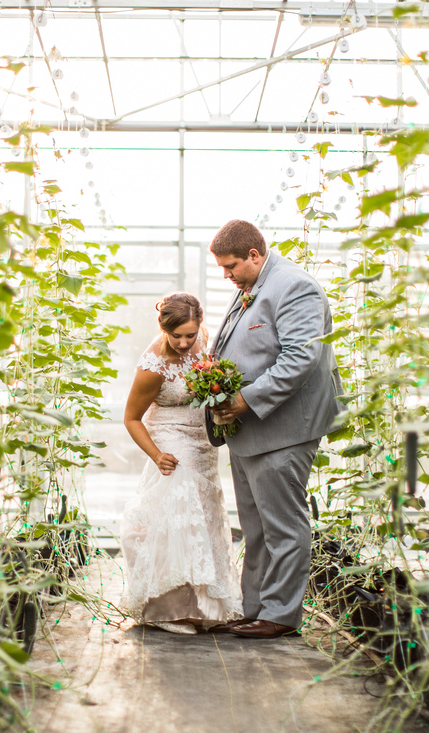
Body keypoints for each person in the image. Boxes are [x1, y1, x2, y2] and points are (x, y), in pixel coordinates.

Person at [206, 220, 344, 639]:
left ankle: (280, 615)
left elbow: (299, 360)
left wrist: (243, 400)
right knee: (256, 527)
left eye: (230, 267)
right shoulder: (250, 288)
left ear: (254, 254)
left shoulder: (295, 286)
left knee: (282, 524)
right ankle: (255, 609)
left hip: (283, 428)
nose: (225, 276)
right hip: (248, 431)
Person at [119, 292, 244, 634]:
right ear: (163, 328)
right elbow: (131, 419)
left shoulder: (201, 340)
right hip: (171, 441)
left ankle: (201, 606)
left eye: (191, 334)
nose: (186, 342)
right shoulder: (152, 366)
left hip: (203, 441)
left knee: (201, 518)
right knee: (177, 517)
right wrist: (156, 454)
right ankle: (167, 608)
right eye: (178, 336)